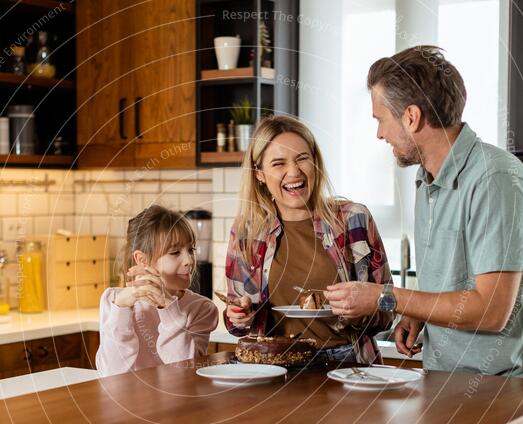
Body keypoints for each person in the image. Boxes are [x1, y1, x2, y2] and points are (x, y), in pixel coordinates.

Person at [325, 46, 523, 424]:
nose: (379, 133)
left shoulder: (494, 180)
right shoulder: (427, 183)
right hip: (444, 390)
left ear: (412, 117)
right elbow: (454, 285)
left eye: (381, 118)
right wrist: (418, 315)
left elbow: (492, 310)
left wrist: (389, 299)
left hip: (499, 398)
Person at [224, 115, 392, 365]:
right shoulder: (247, 232)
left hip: (347, 362)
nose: (294, 172)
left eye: (302, 158)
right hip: (274, 365)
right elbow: (237, 324)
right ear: (259, 174)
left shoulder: (353, 219)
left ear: (315, 162)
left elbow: (388, 307)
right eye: (278, 163)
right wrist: (239, 315)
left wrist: (358, 311)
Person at [96, 205, 219, 376]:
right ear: (142, 260)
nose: (189, 260)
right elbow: (110, 372)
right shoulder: (113, 300)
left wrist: (169, 307)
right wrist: (121, 310)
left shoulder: (202, 308)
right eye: (175, 252)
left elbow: (186, 371)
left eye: (191, 250)